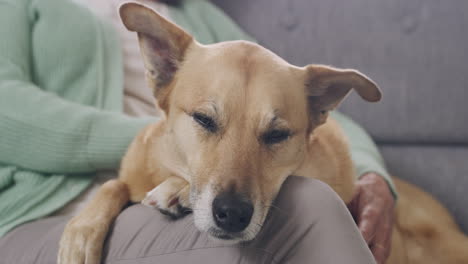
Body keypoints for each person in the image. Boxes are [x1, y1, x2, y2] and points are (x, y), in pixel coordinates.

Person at [0, 0, 395, 263]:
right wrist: (151, 146)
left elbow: (288, 103)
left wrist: (370, 173)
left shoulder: (196, 11)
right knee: (307, 207)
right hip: (44, 215)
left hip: (173, 195)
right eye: (206, 120)